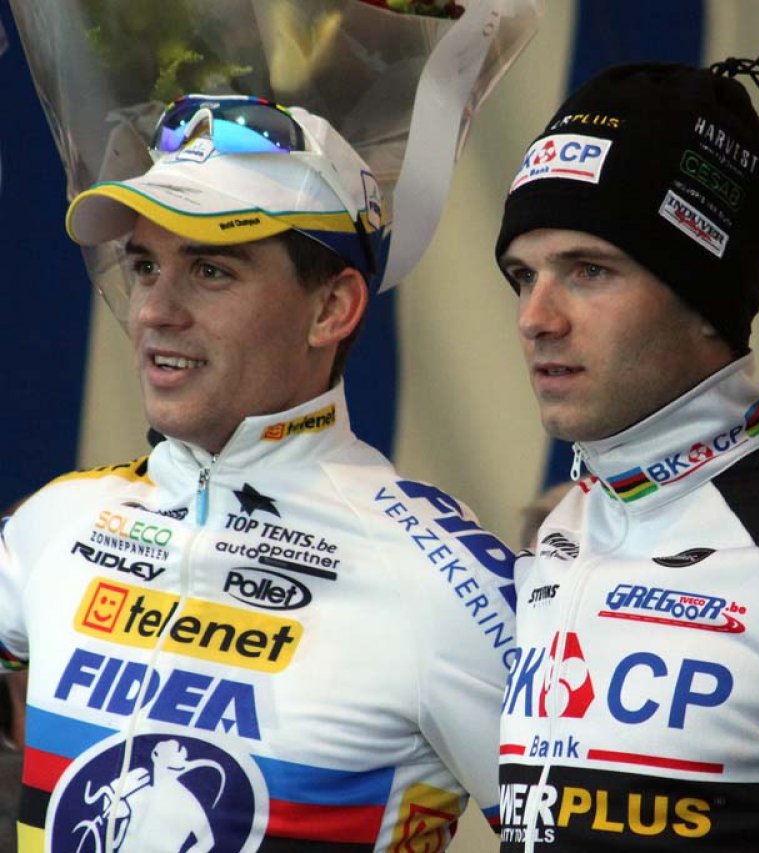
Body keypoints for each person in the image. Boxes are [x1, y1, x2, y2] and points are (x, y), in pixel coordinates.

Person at [0, 94, 517, 851]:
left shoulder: (443, 580)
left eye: (210, 269)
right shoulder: (58, 522)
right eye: (145, 265)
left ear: (332, 307)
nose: (153, 311)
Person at [492, 57, 759, 851]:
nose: (536, 317)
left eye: (588, 271)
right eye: (523, 276)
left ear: (703, 298)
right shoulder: (556, 530)